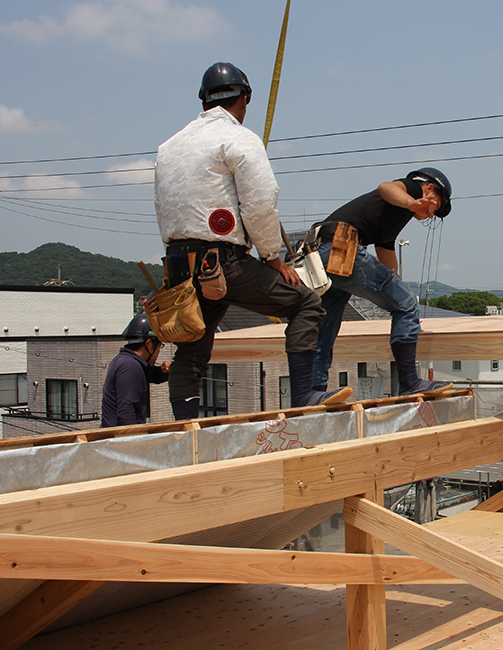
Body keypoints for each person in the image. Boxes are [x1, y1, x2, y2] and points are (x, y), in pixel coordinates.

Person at [154, 62, 351, 419]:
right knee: (306, 303)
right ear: (245, 99)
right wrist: (272, 257)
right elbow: (260, 203)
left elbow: (163, 206)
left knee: (193, 342)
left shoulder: (168, 147)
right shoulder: (239, 138)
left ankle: (185, 427)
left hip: (180, 265)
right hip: (222, 262)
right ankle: (305, 393)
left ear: (204, 103)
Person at [309, 168, 455, 396]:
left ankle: (314, 392)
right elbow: (385, 187)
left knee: (326, 329)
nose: (431, 213)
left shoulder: (394, 214)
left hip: (325, 255)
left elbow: (385, 249)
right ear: (429, 188)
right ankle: (409, 383)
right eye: (436, 204)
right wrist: (411, 203)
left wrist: (402, 302)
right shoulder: (412, 189)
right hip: (344, 247)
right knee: (407, 304)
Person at [101, 312, 170, 427]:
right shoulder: (130, 366)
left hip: (114, 438)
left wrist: (164, 371)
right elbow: (126, 410)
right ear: (148, 343)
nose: (158, 352)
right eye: (159, 346)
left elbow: (151, 374)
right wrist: (134, 440)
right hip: (120, 440)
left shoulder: (125, 361)